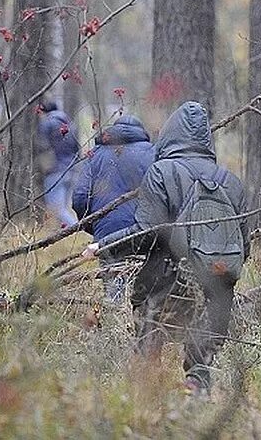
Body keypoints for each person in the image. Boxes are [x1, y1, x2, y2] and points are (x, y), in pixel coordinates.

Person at [84, 101, 248, 394]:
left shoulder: (162, 173)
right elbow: (243, 247)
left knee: (148, 351)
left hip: (167, 284)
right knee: (200, 365)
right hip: (218, 289)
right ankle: (196, 393)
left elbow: (147, 233)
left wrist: (103, 246)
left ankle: (148, 404)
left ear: (171, 134)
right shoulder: (231, 181)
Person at [72, 115, 154, 300]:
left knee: (114, 291)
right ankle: (141, 324)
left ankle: (115, 324)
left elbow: (80, 197)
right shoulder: (153, 153)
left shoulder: (97, 154)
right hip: (144, 230)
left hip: (107, 233)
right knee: (144, 290)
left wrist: (94, 226)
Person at [36, 101, 79, 227]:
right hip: (71, 169)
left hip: (55, 171)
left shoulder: (46, 123)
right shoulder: (70, 124)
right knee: (64, 209)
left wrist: (45, 166)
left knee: (57, 209)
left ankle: (79, 229)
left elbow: (42, 146)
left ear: (43, 112)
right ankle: (67, 239)